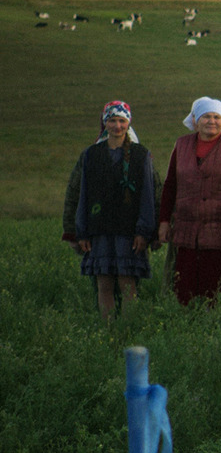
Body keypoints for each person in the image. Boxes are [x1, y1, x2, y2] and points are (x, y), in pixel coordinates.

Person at [158, 96, 221, 312]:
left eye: (217, 117)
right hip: (187, 232)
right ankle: (188, 331)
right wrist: (163, 221)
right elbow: (170, 185)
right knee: (185, 290)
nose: (212, 121)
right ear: (196, 119)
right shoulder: (182, 146)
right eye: (206, 116)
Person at [73, 101, 156, 319]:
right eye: (112, 120)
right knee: (104, 283)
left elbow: (147, 195)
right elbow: (84, 194)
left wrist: (143, 231)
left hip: (128, 230)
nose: (117, 126)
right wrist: (82, 231)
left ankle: (129, 329)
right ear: (105, 123)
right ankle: (108, 330)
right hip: (99, 229)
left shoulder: (141, 155)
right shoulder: (92, 154)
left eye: (121, 121)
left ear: (128, 123)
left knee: (127, 283)